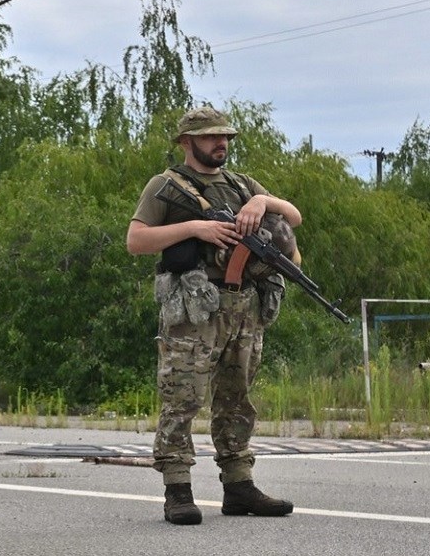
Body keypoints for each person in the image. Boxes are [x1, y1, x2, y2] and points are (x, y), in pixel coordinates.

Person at [126, 106, 301, 526]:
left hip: (243, 305)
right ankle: (178, 490)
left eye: (224, 137)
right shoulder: (166, 185)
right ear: (187, 143)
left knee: (237, 397)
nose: (220, 143)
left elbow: (292, 216)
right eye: (210, 137)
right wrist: (194, 229)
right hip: (194, 310)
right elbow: (136, 240)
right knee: (182, 397)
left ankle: (239, 485)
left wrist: (262, 200)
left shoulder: (242, 185)